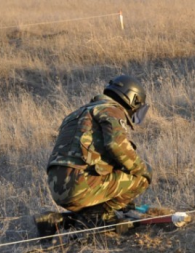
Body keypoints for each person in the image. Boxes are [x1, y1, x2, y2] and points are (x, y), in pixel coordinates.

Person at [35, 75, 152, 239]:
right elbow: (116, 145)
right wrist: (140, 169)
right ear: (133, 100)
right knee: (143, 175)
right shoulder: (111, 109)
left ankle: (59, 220)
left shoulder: (76, 114)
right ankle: (100, 217)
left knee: (113, 172)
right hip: (80, 184)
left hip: (57, 185)